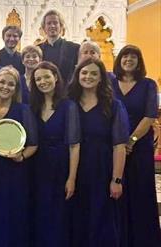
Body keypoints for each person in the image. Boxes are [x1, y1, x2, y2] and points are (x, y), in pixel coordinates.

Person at [68, 58, 129, 247]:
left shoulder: (113, 106)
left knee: (100, 219)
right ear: (78, 76)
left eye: (94, 73)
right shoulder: (69, 104)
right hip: (72, 168)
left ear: (102, 78)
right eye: (84, 72)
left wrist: (116, 179)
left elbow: (119, 145)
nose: (88, 76)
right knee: (74, 218)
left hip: (101, 168)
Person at [111, 45, 161, 247]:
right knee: (118, 192)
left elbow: (150, 115)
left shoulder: (148, 84)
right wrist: (120, 142)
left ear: (139, 61)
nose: (128, 60)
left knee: (140, 193)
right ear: (119, 60)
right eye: (125, 56)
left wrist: (130, 140)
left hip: (138, 146)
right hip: (114, 145)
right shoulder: (111, 83)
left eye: (133, 57)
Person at [0, 66, 38, 247]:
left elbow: (33, 145)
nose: (6, 87)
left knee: (13, 215)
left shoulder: (24, 110)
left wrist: (21, 157)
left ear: (16, 89)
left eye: (11, 84)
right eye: (2, 82)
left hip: (14, 172)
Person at [29, 61, 80, 246]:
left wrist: (72, 178)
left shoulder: (69, 106)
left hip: (60, 165)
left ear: (56, 77)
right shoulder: (32, 106)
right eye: (38, 79)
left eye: (46, 77)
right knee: (38, 211)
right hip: (36, 165)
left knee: (58, 214)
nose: (42, 81)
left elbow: (74, 145)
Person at [38, 10, 80, 82]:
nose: (52, 26)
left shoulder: (74, 48)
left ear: (61, 26)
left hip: (67, 91)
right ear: (44, 28)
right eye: (49, 23)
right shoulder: (38, 49)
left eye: (55, 23)